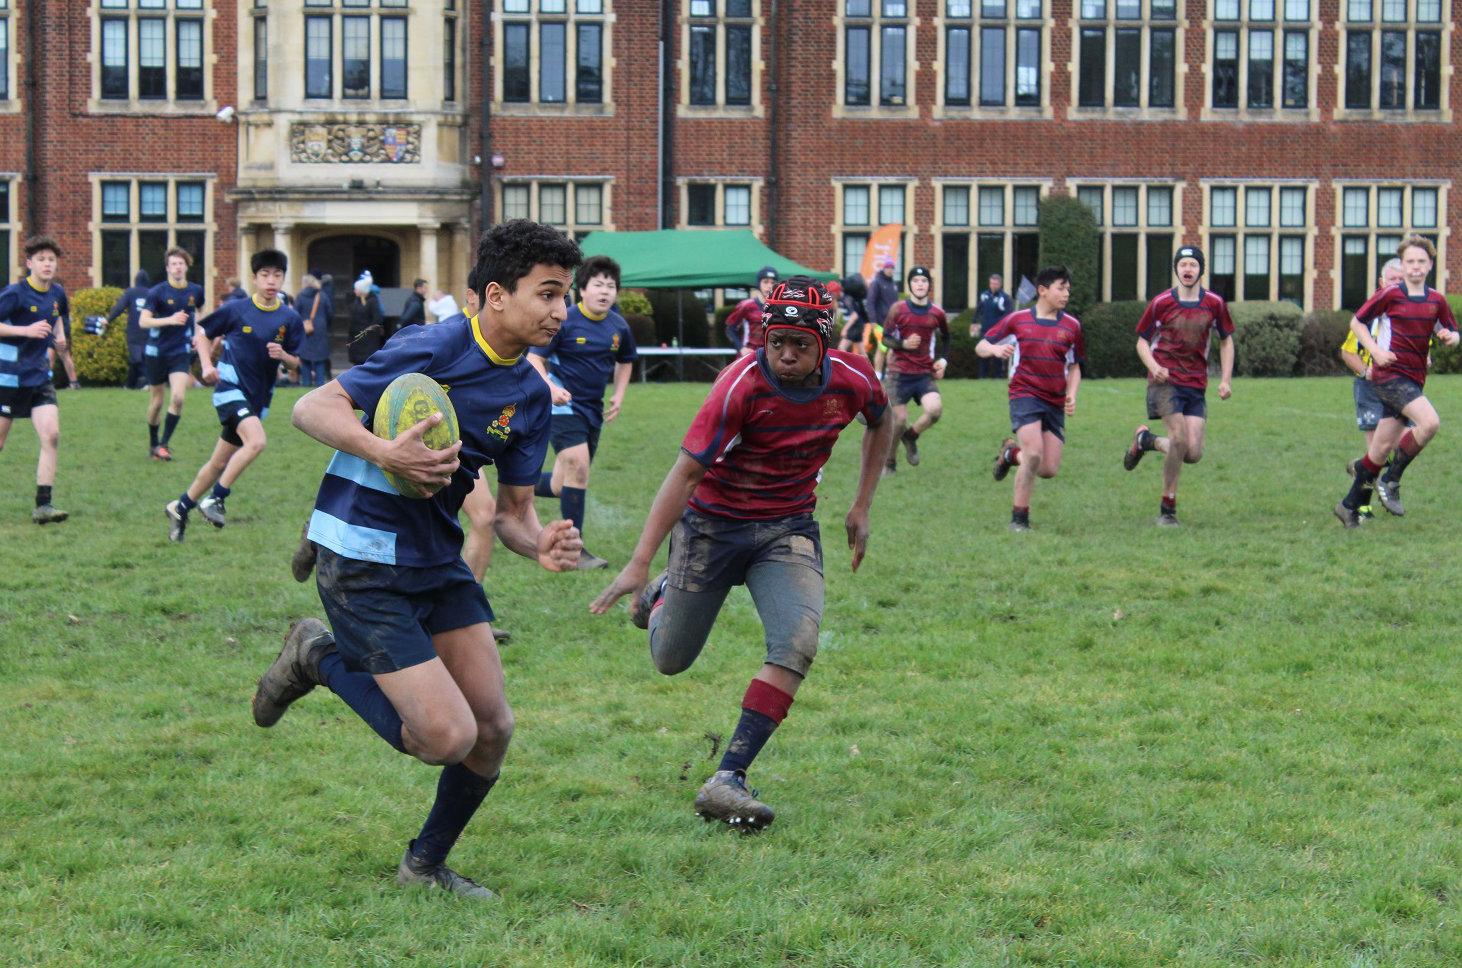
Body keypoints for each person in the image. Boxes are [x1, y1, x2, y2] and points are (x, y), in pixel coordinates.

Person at [251, 219, 583, 899]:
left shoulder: (529, 396)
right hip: (362, 551)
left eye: (565, 296)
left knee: (492, 728)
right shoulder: (432, 346)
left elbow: (514, 514)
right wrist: (385, 452)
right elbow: (312, 408)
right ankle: (316, 655)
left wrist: (541, 544)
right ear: (497, 295)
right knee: (445, 737)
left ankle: (423, 865)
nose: (560, 311)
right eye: (548, 294)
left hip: (434, 556)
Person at [591, 277, 891, 830]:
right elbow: (685, 474)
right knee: (671, 660)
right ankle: (662, 591)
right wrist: (639, 561)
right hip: (712, 526)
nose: (786, 354)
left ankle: (728, 778)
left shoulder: (854, 378)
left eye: (800, 344)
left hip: (787, 528)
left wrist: (862, 505)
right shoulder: (739, 385)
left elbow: (882, 417)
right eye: (776, 342)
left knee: (797, 642)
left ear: (824, 344)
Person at [165, 249, 303, 542]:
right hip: (229, 390)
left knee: (218, 463)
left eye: (277, 275)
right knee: (257, 442)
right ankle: (216, 499)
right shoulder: (236, 309)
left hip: (257, 399)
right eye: (265, 275)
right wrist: (206, 365)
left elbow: (296, 365)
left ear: (283, 279)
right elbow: (202, 332)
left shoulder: (289, 318)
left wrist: (284, 356)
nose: (271, 281)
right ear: (254, 278)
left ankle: (181, 506)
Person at [1335, 235, 1459, 527]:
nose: (1415, 266)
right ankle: (1390, 480)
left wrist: (1450, 337)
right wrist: (1376, 351)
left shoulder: (1437, 300)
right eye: (1410, 261)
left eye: (1421, 261)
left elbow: (1453, 332)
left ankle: (1348, 506)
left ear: (1430, 265)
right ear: (1402, 265)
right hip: (1389, 376)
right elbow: (1357, 322)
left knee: (1379, 450)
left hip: (1414, 379)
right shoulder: (1390, 295)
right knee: (1430, 423)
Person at [527, 255, 637, 570]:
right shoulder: (564, 320)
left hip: (592, 410)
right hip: (561, 406)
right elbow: (534, 359)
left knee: (563, 483)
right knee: (578, 465)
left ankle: (518, 486)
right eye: (598, 285)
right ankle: (574, 551)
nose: (605, 291)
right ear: (583, 289)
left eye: (611, 286)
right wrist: (550, 388)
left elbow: (626, 360)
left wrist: (619, 394)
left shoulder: (618, 326)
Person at [1119, 245, 1235, 526]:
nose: (1187, 269)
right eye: (1183, 265)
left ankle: (1146, 441)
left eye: (1193, 265)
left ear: (1200, 270)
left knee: (1193, 453)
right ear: (1176, 269)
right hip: (1164, 383)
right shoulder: (1161, 302)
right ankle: (1167, 509)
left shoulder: (1214, 304)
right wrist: (1154, 367)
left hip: (1195, 384)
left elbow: (1226, 340)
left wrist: (1225, 380)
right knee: (1179, 440)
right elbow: (1142, 342)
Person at [979, 265, 1085, 532]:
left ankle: (1010, 454)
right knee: (1034, 453)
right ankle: (1019, 518)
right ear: (1042, 290)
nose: (1066, 294)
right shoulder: (1017, 320)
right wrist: (995, 350)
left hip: (1054, 400)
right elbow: (981, 345)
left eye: (1068, 289)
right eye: (1061, 288)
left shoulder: (1072, 326)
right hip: (1024, 394)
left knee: (1048, 468)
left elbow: (1075, 366)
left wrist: (1071, 394)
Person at [0, 236, 72, 524]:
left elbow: (58, 316)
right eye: (41, 259)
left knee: (51, 435)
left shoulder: (57, 293)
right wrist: (26, 331)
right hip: (8, 378)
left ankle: (44, 505)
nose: (47, 264)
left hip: (39, 377)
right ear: (29, 263)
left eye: (51, 259)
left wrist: (60, 338)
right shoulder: (15, 294)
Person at [1338, 258, 1406, 520]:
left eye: (1401, 280)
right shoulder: (1371, 314)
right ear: (1381, 282)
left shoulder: (1409, 313)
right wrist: (1366, 371)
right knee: (1376, 449)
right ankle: (1362, 505)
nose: (1397, 284)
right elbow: (1348, 352)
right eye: (1393, 279)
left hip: (1400, 387)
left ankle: (1359, 467)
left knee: (1400, 447)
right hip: (1369, 388)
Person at [879, 266, 949, 473]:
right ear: (909, 285)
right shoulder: (898, 309)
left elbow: (947, 338)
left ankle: (911, 436)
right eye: (916, 281)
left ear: (929, 285)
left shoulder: (937, 313)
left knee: (935, 410)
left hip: (923, 374)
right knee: (899, 420)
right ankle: (889, 462)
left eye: (924, 281)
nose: (920, 284)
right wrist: (903, 344)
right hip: (898, 374)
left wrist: (943, 361)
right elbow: (885, 338)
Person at [139, 248, 206, 461]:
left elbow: (200, 313)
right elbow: (143, 321)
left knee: (178, 398)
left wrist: (197, 334)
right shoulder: (157, 292)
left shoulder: (196, 291)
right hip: (156, 353)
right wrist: (170, 320)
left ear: (186, 267)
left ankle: (164, 445)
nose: (177, 267)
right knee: (157, 402)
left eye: (181, 264)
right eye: (174, 264)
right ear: (168, 268)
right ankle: (153, 443)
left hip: (180, 352)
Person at [108, 270, 152, 389]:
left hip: (134, 331)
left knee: (136, 359)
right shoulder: (151, 293)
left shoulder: (131, 292)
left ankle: (149, 382)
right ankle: (130, 384)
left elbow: (119, 307)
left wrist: (108, 319)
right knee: (140, 358)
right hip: (148, 330)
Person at [725, 266, 778, 355]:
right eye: (765, 282)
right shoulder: (746, 306)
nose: (769, 286)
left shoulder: (779, 308)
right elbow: (730, 329)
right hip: (750, 355)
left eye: (773, 282)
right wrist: (741, 348)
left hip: (771, 356)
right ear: (758, 284)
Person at [296, 273, 335, 388]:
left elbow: (295, 314)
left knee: (305, 360)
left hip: (304, 331)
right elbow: (329, 313)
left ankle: (306, 384)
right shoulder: (322, 295)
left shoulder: (300, 296)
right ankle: (320, 385)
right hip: (320, 331)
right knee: (320, 361)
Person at [972, 273, 1014, 379]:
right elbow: (978, 310)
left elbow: (1008, 314)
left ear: (1000, 284)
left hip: (997, 332)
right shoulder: (984, 295)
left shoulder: (1005, 298)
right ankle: (982, 376)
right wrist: (974, 322)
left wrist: (999, 325)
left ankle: (998, 376)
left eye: (995, 284)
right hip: (985, 330)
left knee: (997, 353)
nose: (993, 286)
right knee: (983, 353)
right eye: (991, 283)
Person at [347, 277, 387, 365]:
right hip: (357, 337)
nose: (354, 291)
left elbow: (377, 318)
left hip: (368, 337)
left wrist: (367, 331)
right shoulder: (357, 301)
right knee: (358, 361)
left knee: (366, 360)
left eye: (356, 289)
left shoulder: (372, 301)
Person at [835, 273, 870, 357]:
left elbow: (854, 316)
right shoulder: (842, 299)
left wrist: (845, 329)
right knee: (862, 353)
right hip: (858, 325)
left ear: (837, 292)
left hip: (855, 325)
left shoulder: (846, 299)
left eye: (832, 294)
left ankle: (846, 365)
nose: (832, 297)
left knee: (842, 347)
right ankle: (868, 365)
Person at [867, 257, 899, 338]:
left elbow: (896, 303)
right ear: (884, 268)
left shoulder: (894, 284)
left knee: (889, 344)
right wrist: (873, 320)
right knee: (882, 343)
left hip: (892, 322)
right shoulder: (876, 283)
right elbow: (870, 302)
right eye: (888, 267)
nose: (890, 270)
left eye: (892, 268)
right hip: (879, 322)